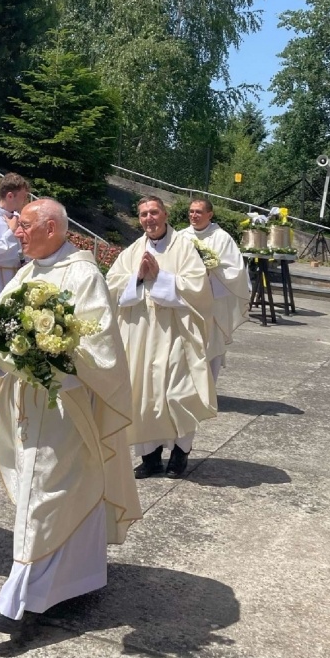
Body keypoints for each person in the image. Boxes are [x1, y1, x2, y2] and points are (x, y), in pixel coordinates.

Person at [0, 198, 141, 633]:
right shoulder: (30, 270)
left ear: (51, 227)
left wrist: (51, 353)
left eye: (25, 225)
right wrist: (1, 342)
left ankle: (21, 601)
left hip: (65, 406)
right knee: (61, 492)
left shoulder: (83, 273)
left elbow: (100, 344)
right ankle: (77, 580)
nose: (17, 232)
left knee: (45, 497)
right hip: (29, 401)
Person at [106, 196, 215, 480]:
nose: (149, 219)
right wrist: (139, 278)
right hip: (141, 333)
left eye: (154, 212)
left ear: (165, 215)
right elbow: (113, 285)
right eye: (143, 214)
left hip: (176, 332)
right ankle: (150, 457)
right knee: (143, 395)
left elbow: (198, 287)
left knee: (177, 394)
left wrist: (162, 277)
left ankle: (180, 453)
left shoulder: (184, 248)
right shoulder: (133, 251)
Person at [179, 198, 251, 382]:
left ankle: (209, 387)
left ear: (209, 215)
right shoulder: (181, 236)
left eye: (198, 212)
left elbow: (236, 270)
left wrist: (212, 269)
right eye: (191, 211)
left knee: (211, 344)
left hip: (212, 301)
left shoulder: (222, 238)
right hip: (185, 300)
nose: (193, 216)